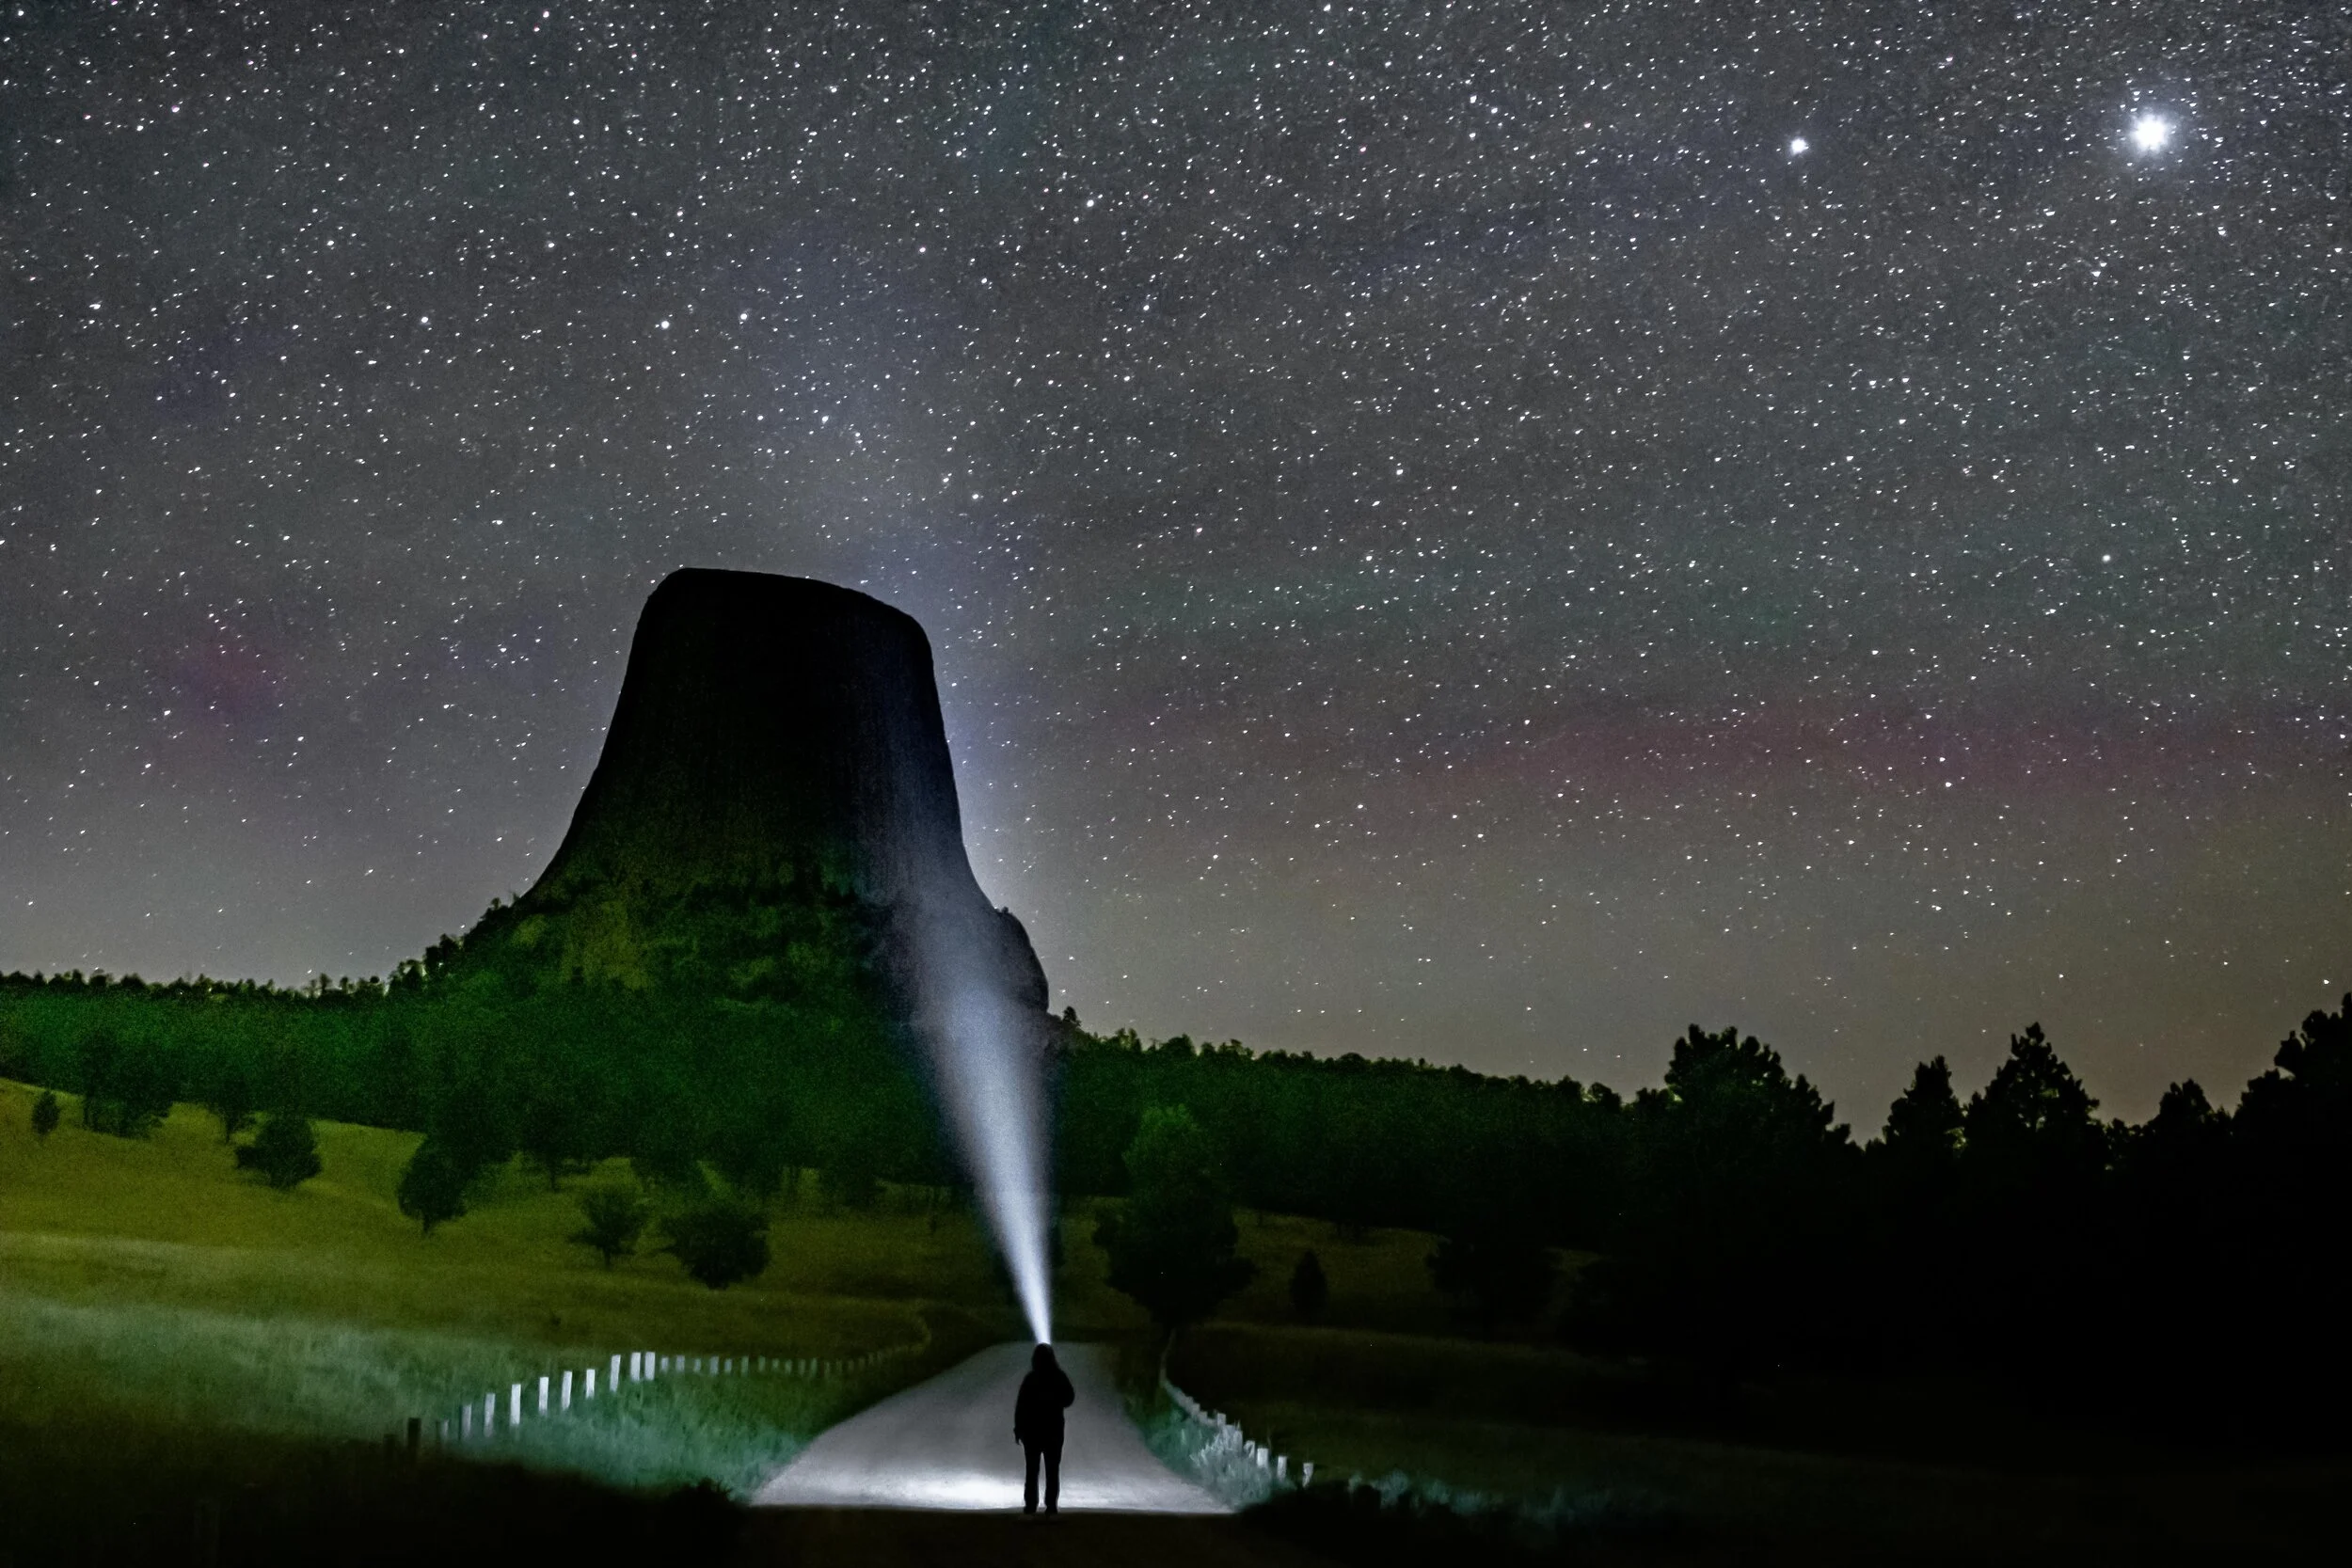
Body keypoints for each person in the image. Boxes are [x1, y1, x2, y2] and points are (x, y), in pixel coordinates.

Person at [1012, 1341, 1075, 1514]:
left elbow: (1021, 1406)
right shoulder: (1059, 1376)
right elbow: (1069, 1398)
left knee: (1032, 1469)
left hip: (1032, 1431)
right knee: (1052, 1468)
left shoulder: (1031, 1378)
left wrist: (1018, 1428)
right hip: (1053, 1430)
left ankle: (1031, 1504)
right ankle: (1051, 1504)